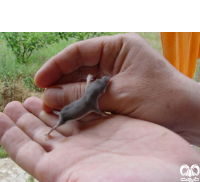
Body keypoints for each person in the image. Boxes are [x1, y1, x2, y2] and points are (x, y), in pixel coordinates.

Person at [1, 33, 200, 181]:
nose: (106, 82)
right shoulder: (92, 101)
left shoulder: (92, 95)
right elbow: (94, 106)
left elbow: (90, 88)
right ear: (100, 92)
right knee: (64, 118)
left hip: (74, 112)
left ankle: (54, 128)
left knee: (64, 118)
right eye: (104, 84)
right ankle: (53, 128)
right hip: (71, 113)